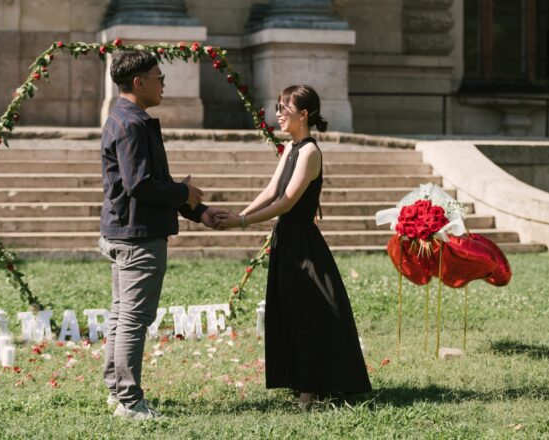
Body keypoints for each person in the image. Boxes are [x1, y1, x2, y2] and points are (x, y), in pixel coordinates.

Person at [216, 85, 372, 407]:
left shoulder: (311, 152)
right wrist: (239, 214)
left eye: (283, 108)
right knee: (290, 311)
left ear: (303, 115)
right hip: (286, 240)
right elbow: (272, 190)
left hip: (304, 245)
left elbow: (286, 203)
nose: (277, 114)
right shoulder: (290, 149)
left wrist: (242, 223)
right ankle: (303, 383)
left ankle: (310, 392)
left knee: (312, 312)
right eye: (277, 107)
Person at [99, 50, 225, 420]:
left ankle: (117, 391)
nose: (163, 84)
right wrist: (183, 194)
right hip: (137, 236)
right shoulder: (132, 124)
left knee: (122, 316)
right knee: (133, 319)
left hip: (125, 230)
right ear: (139, 82)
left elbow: (147, 181)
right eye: (159, 77)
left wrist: (197, 210)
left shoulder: (124, 118)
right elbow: (140, 184)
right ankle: (128, 401)